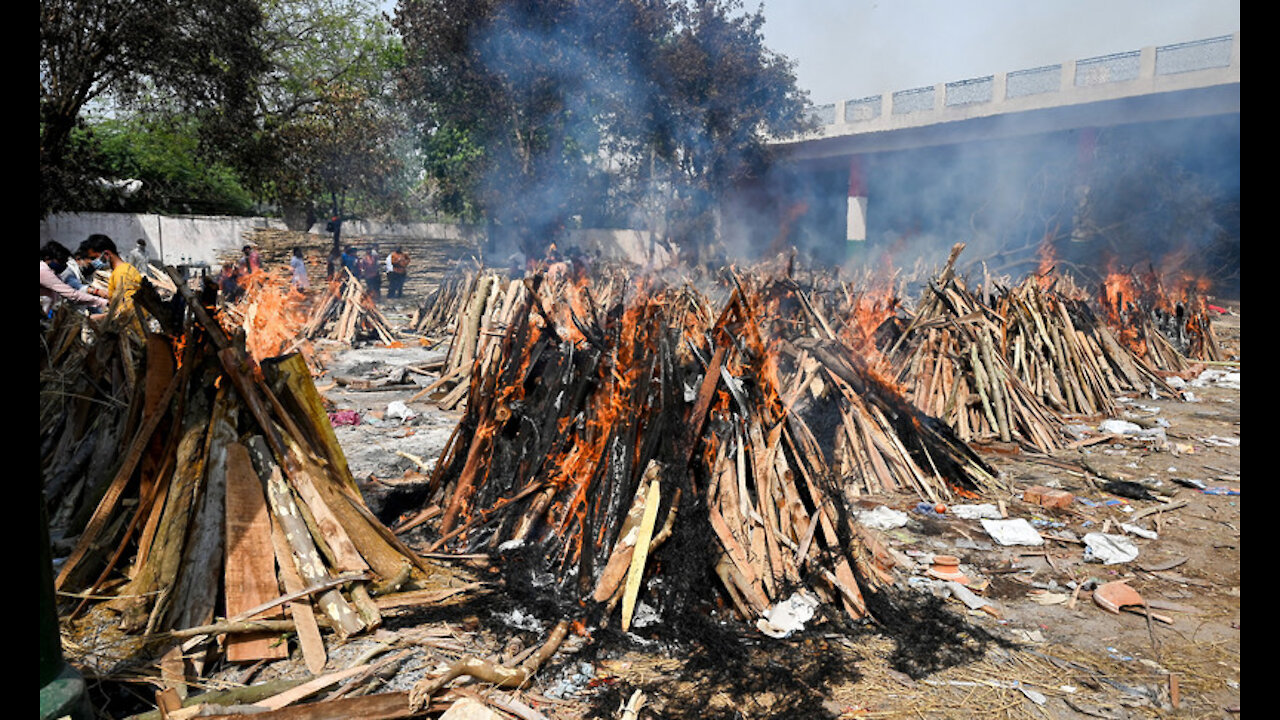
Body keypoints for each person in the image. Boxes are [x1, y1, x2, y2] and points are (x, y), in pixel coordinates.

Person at [82, 234, 144, 336]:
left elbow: (128, 310)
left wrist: (99, 318)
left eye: (94, 257)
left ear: (106, 254)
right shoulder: (119, 272)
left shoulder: (123, 273)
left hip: (133, 332)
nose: (93, 262)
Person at [40, 241, 108, 316]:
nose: (64, 265)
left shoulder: (54, 273)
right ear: (47, 258)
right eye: (61, 261)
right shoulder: (43, 271)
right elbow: (73, 294)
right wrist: (102, 301)